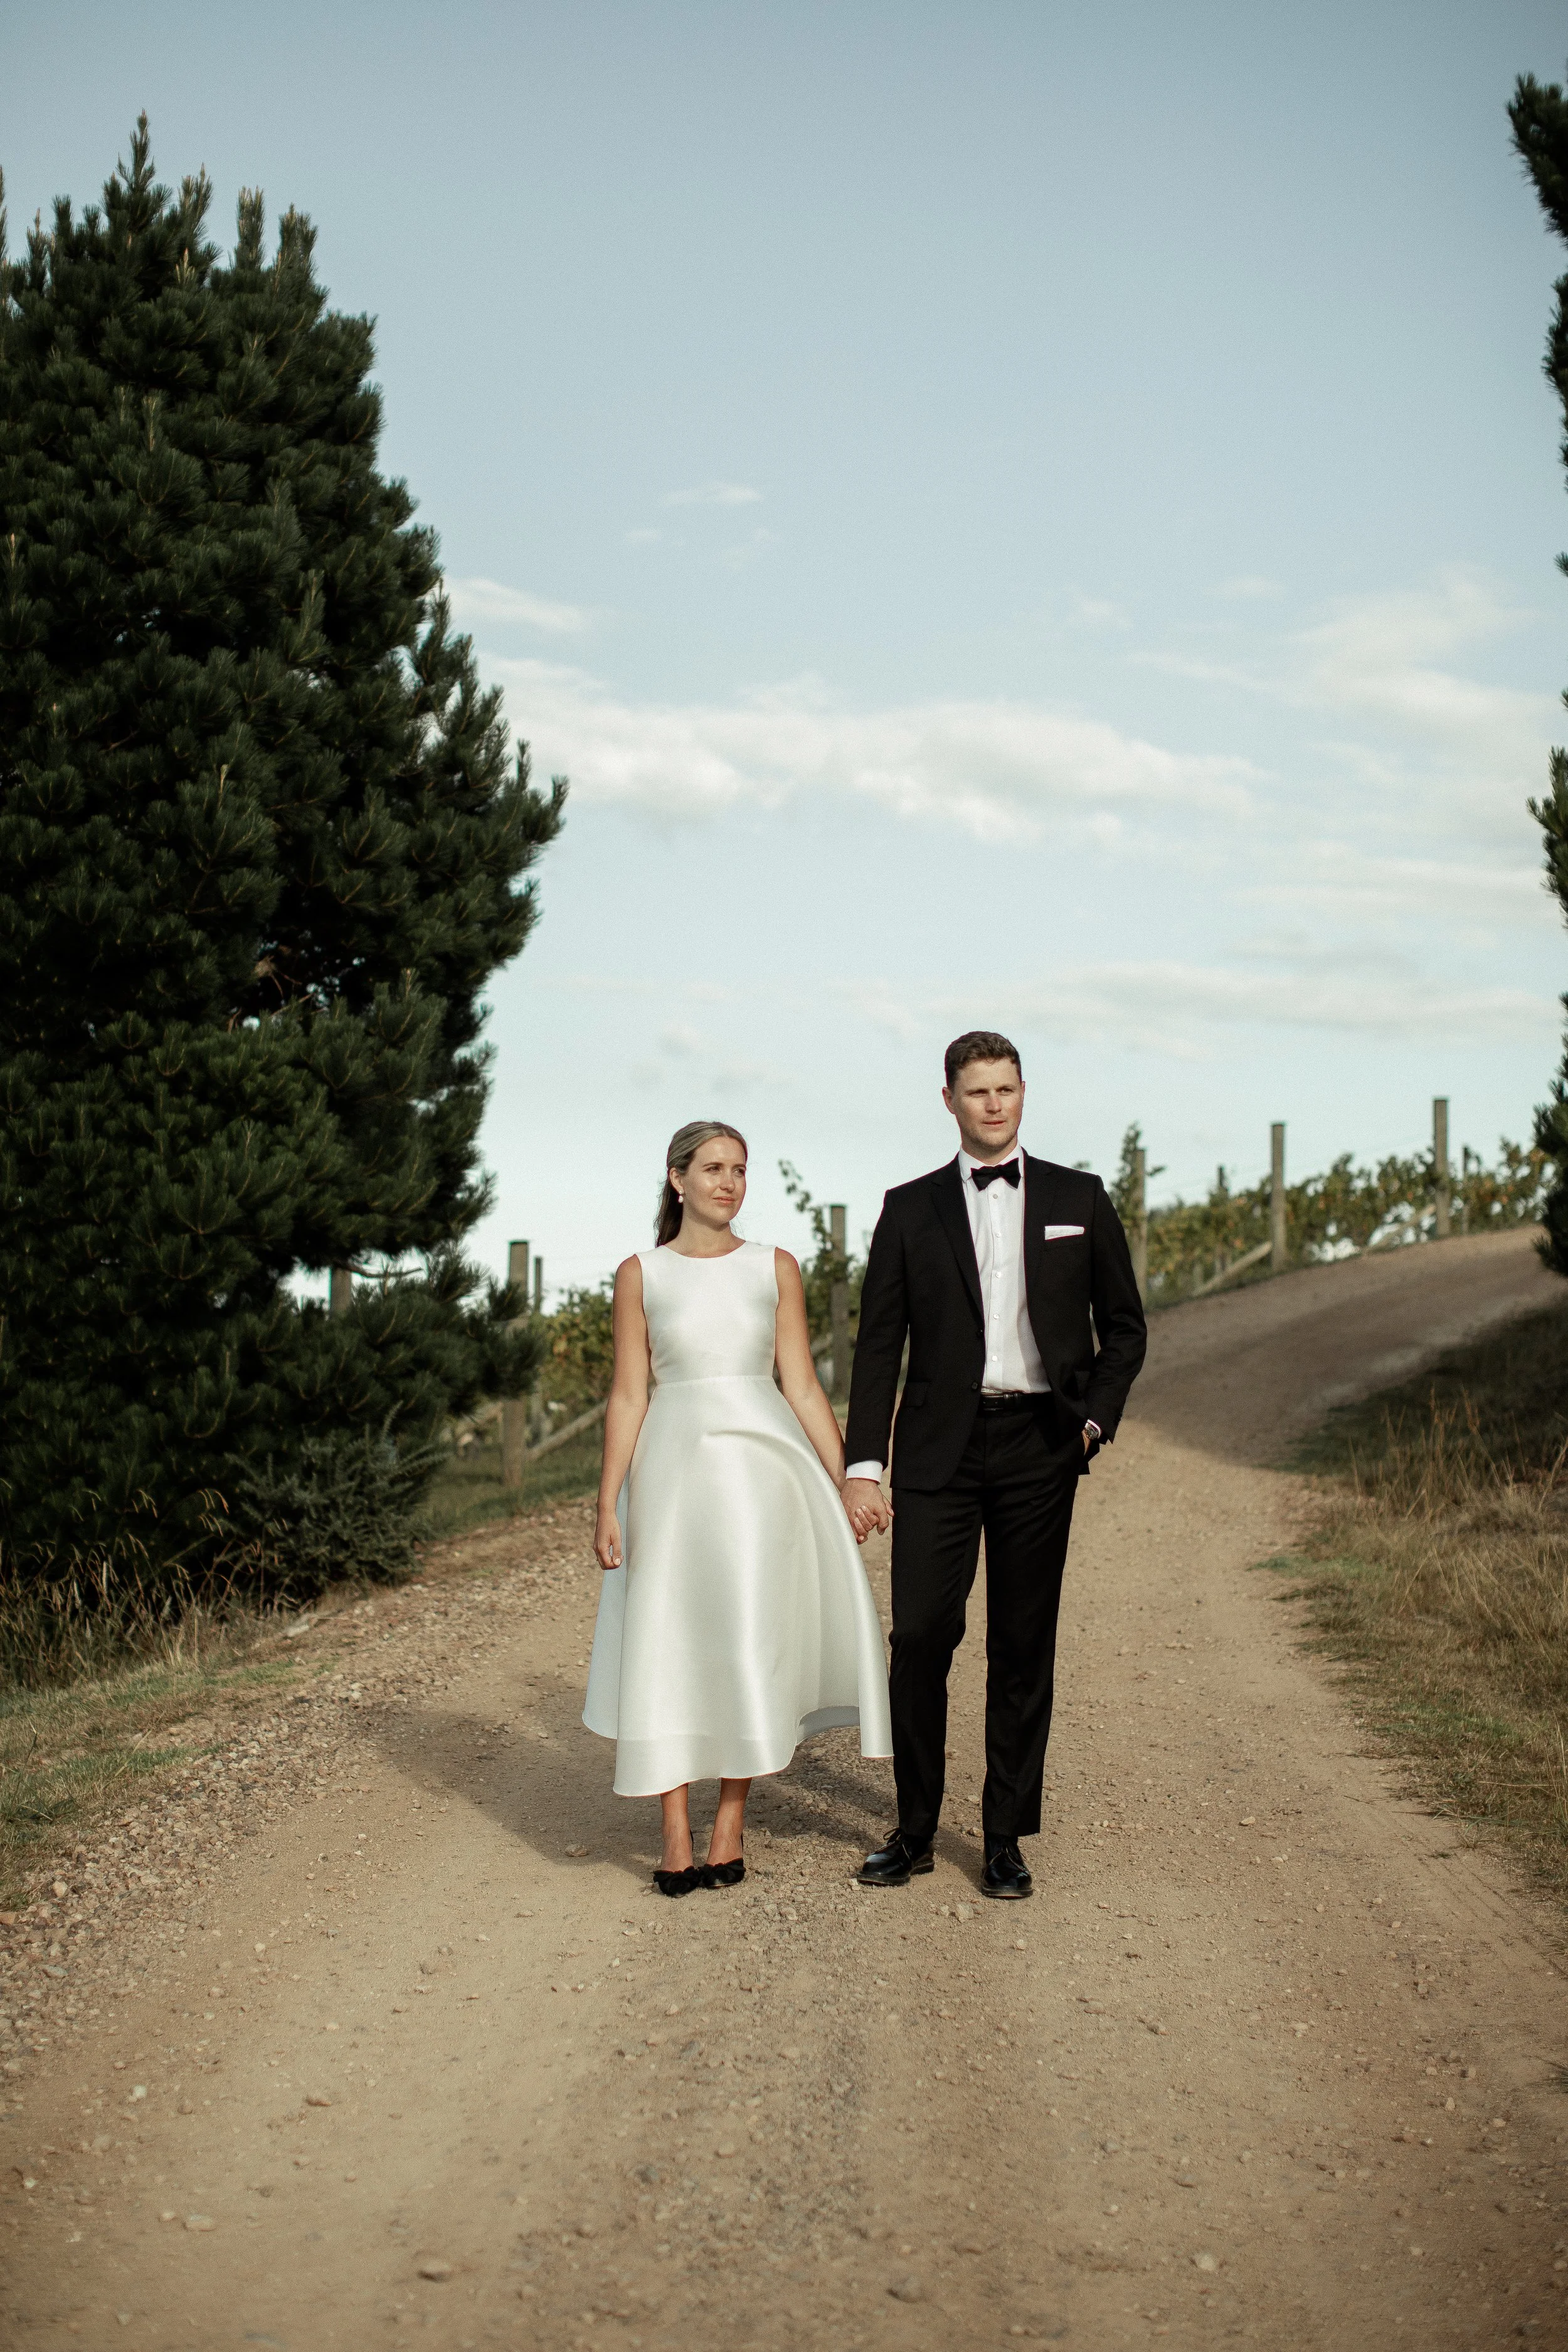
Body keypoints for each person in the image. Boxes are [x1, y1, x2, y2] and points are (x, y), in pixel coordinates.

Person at [841, 1032, 1146, 1900]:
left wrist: (1091, 1420)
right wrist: (866, 1462)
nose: (994, 1104)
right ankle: (914, 1828)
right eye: (977, 1092)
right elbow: (878, 1348)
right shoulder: (909, 1208)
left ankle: (1006, 1835)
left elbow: (1125, 1325)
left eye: (1006, 1089)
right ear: (949, 1100)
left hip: (1039, 1447)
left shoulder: (1078, 1196)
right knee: (922, 1636)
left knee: (1022, 1643)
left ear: (1023, 1091)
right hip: (939, 1445)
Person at [584, 1120, 893, 1896]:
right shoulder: (640, 1274)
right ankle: (670, 1833)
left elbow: (803, 1384)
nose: (729, 1183)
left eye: (740, 1170)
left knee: (748, 1639)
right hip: (671, 1476)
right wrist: (607, 1503)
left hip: (762, 1475)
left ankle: (727, 1825)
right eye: (713, 1168)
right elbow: (628, 1394)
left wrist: (850, 1478)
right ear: (676, 1178)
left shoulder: (774, 1268)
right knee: (667, 1638)